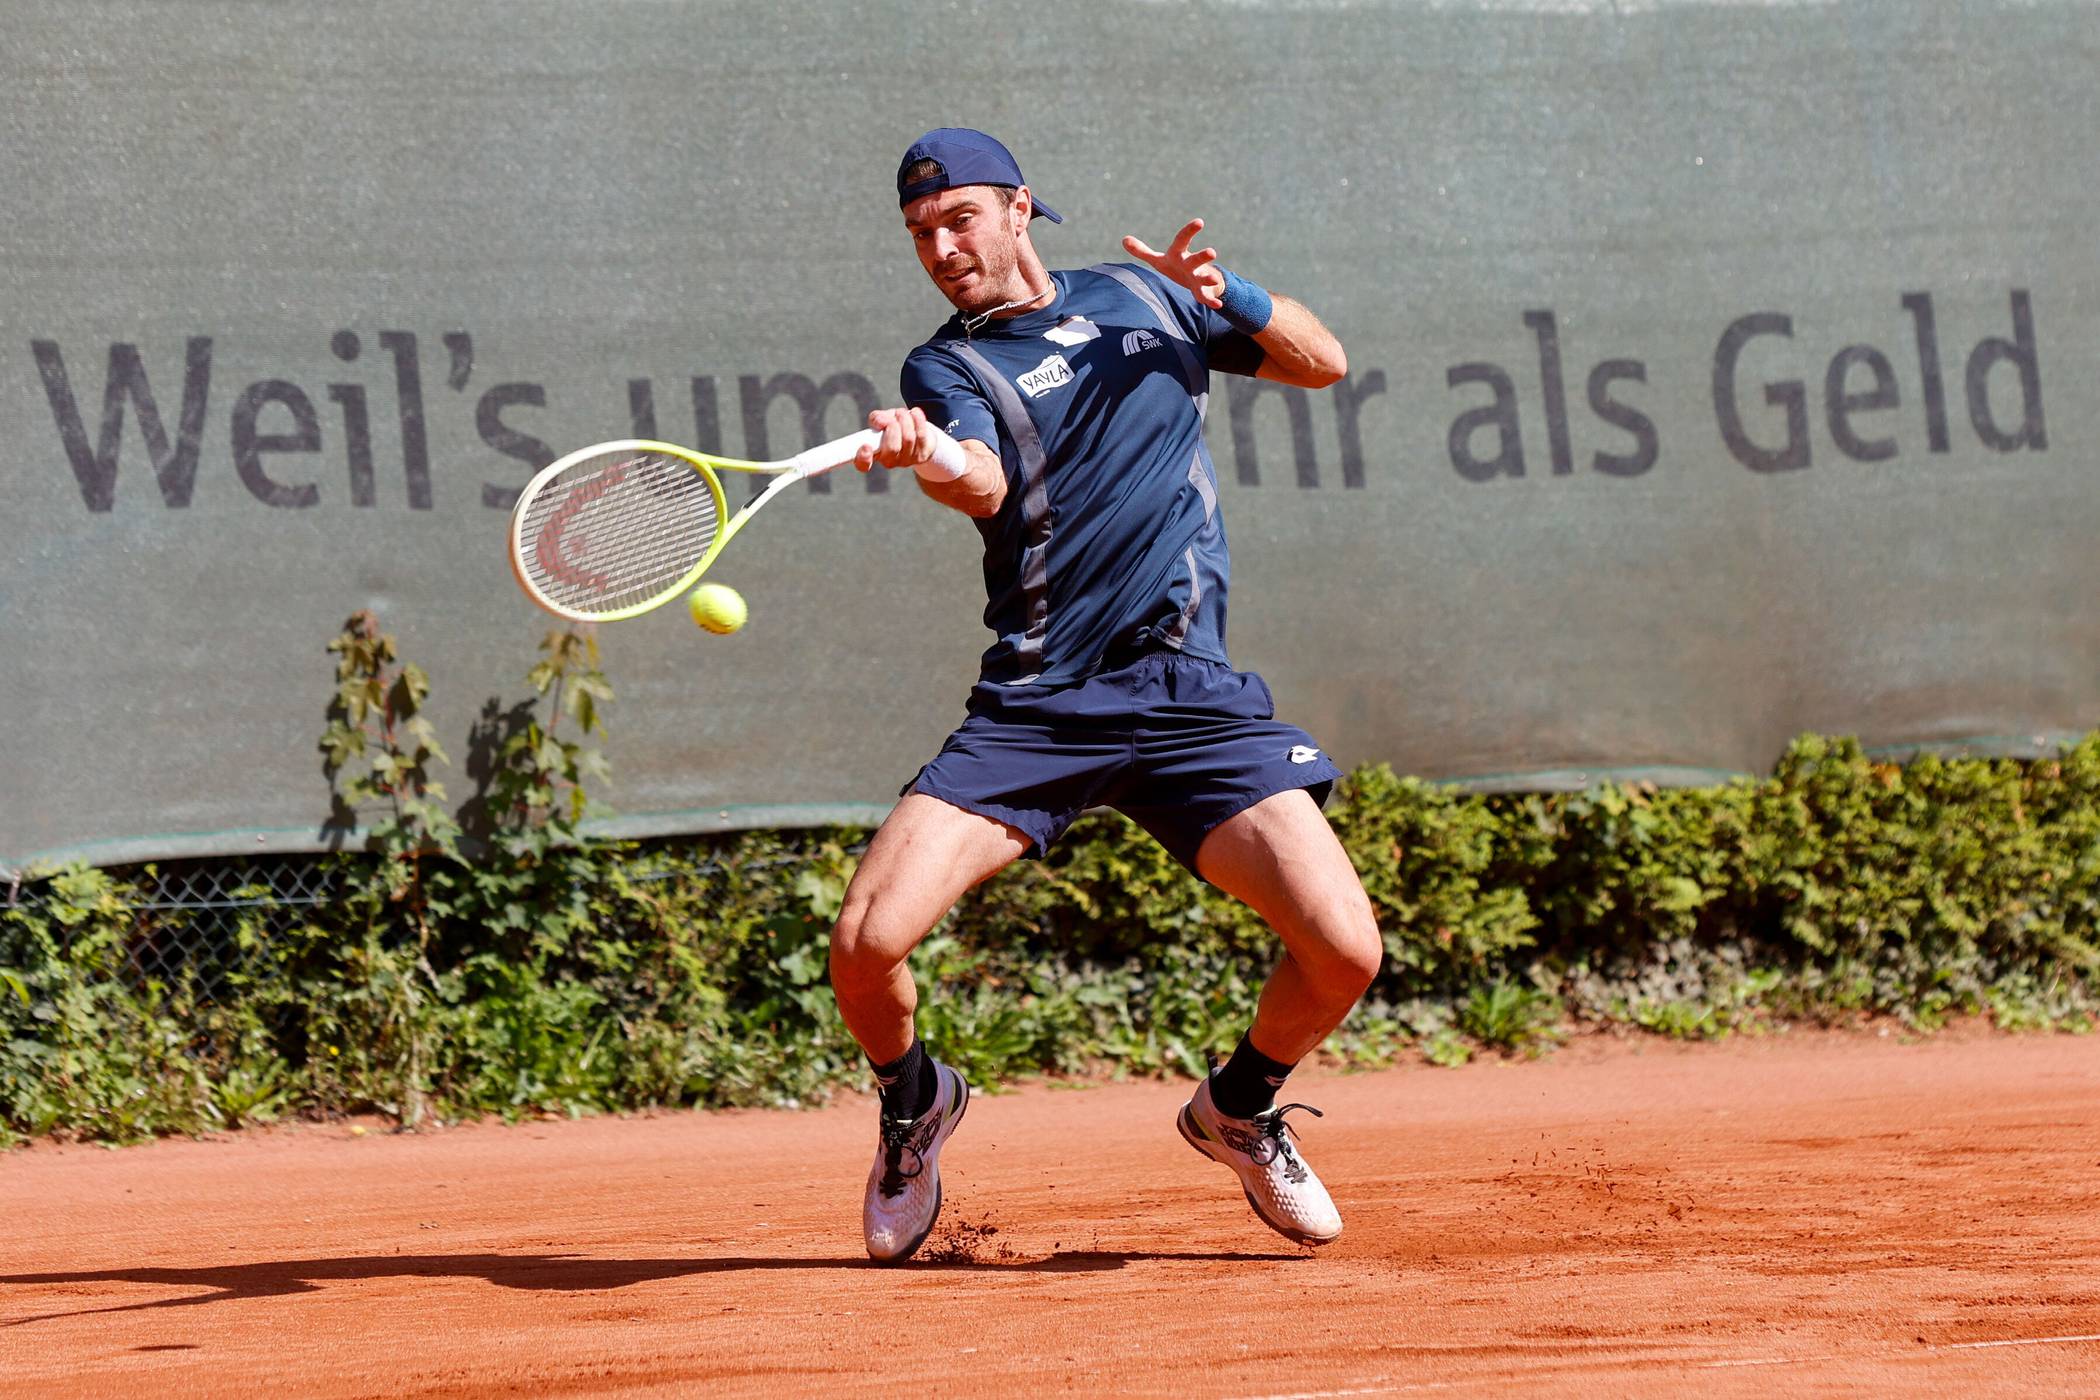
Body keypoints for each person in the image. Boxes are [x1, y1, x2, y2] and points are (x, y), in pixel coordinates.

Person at [832, 128, 1382, 1264]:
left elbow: (1322, 361)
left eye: (960, 220)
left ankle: (1238, 1105)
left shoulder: (1147, 293)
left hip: (1190, 694)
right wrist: (930, 453)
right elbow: (981, 478)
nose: (941, 248)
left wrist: (1241, 297)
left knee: (1344, 949)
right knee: (864, 941)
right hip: (1042, 701)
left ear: (1021, 208)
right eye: (921, 234)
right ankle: (915, 1100)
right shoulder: (948, 369)